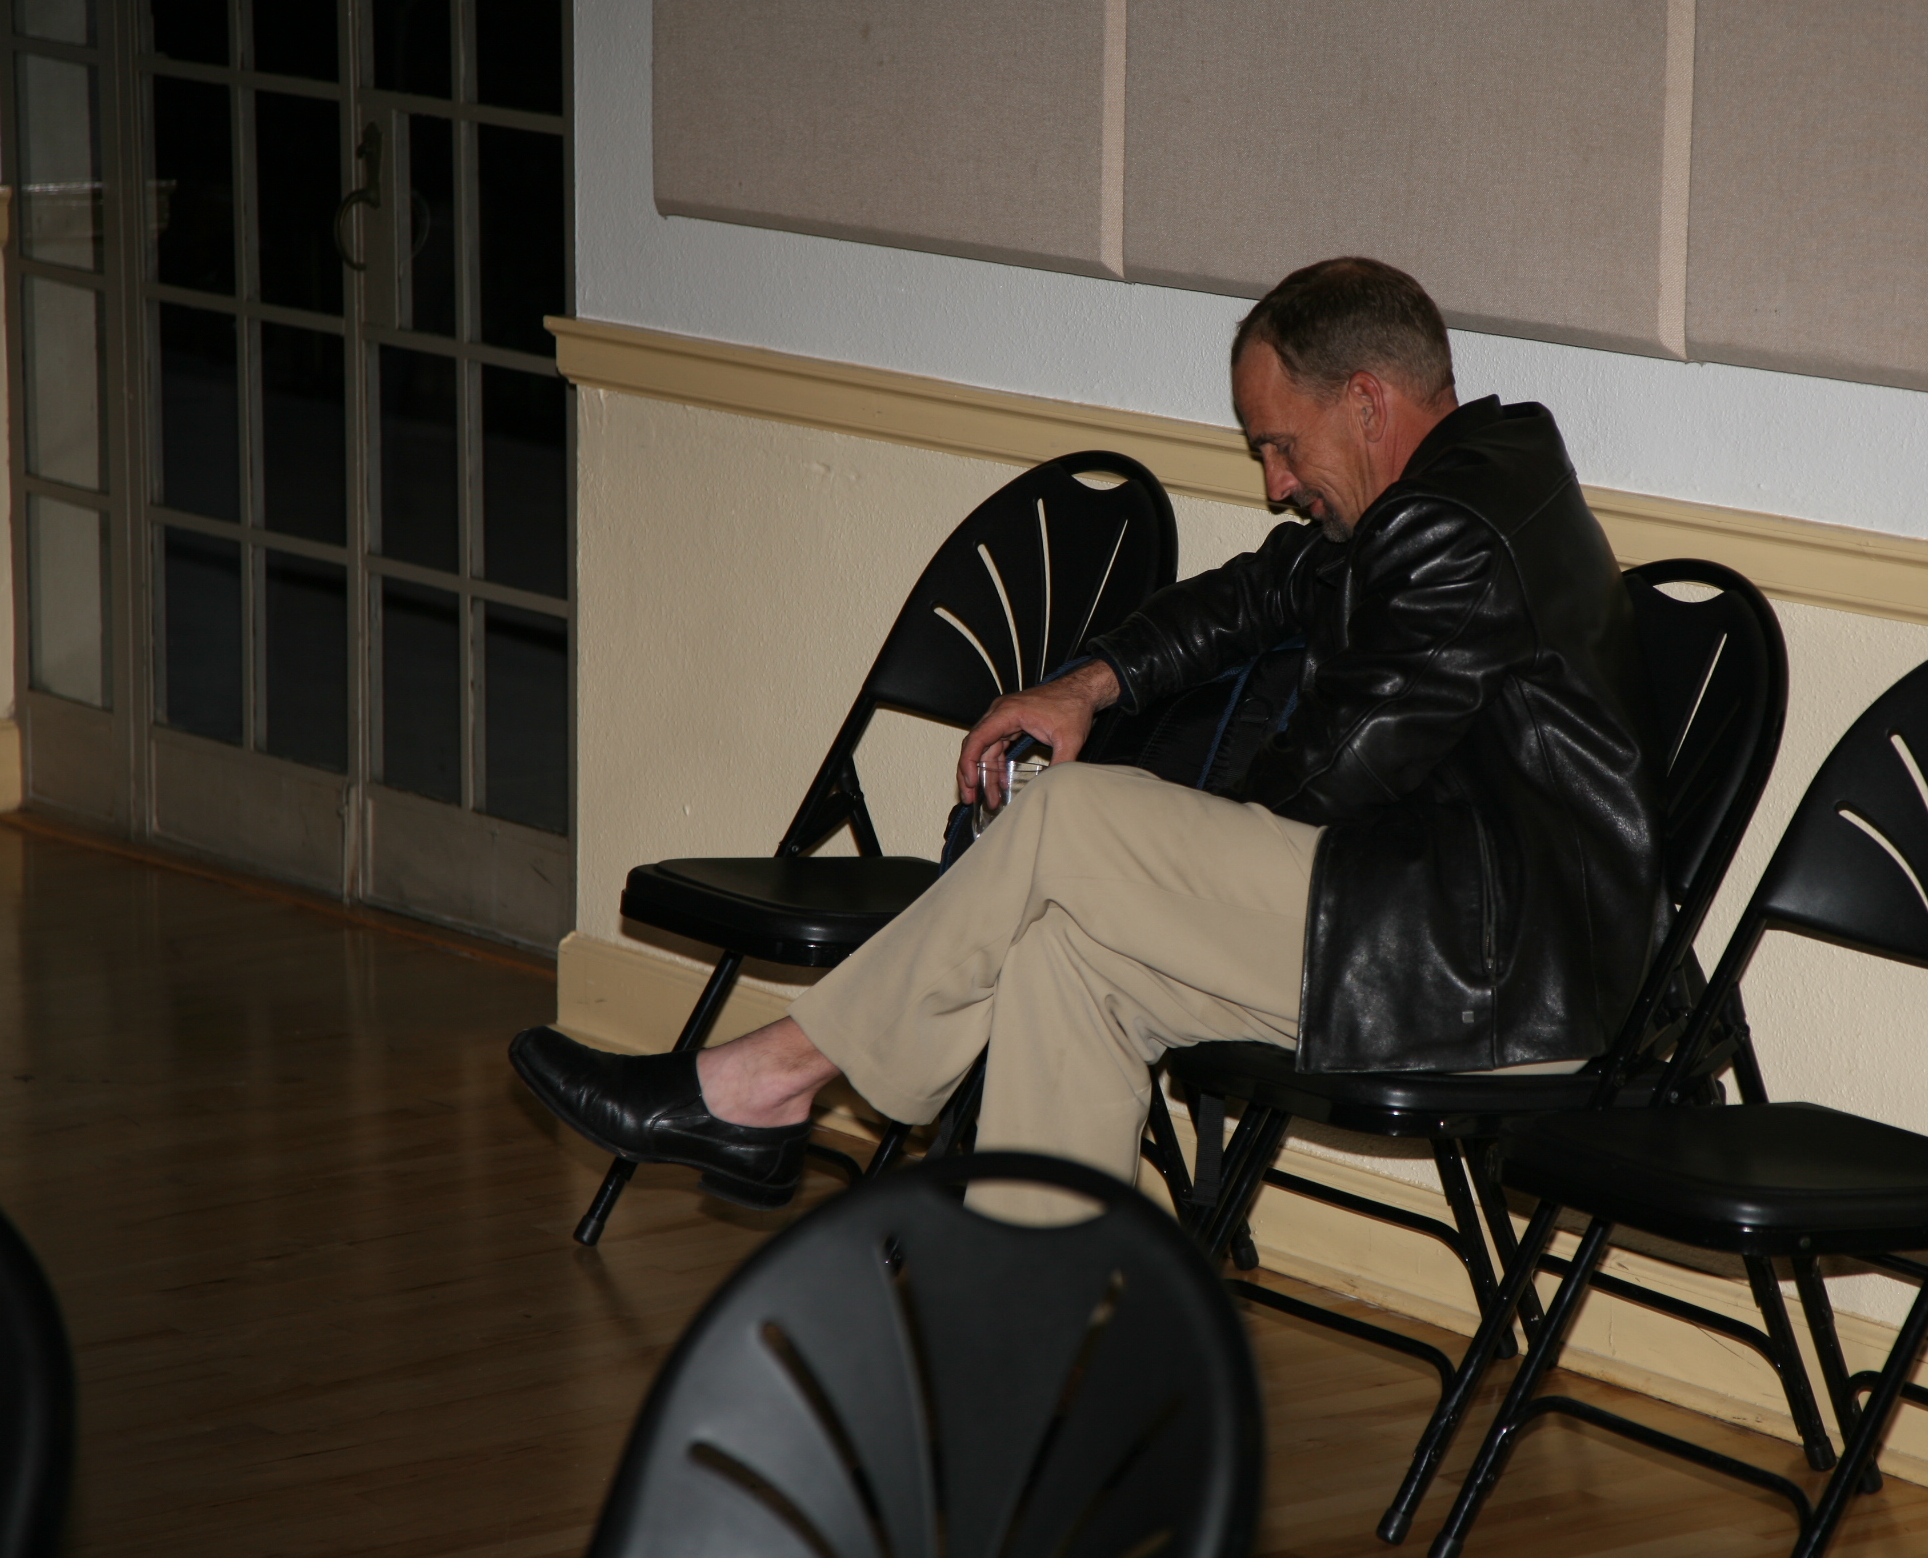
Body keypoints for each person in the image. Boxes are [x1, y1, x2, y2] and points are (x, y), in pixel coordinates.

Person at [509, 258, 1666, 1212]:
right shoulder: (1442, 494)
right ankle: (1030, 1329)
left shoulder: (1449, 529)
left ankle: (768, 1078)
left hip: (1504, 977)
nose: (1275, 483)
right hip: (1432, 937)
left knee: (1069, 821)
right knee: (1065, 952)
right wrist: (1085, 686)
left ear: (1366, 400)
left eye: (1280, 443)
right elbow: (1254, 595)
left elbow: (1326, 776)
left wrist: (1158, 835)